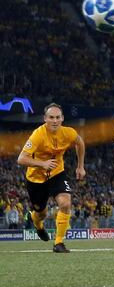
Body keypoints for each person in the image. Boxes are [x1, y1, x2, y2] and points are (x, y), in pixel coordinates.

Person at [17, 103, 86, 253]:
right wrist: (42, 164)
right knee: (42, 213)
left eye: (57, 117)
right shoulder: (38, 135)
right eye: (51, 117)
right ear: (45, 119)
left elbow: (79, 143)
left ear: (62, 118)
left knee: (65, 203)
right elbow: (21, 159)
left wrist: (80, 166)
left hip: (56, 173)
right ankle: (37, 223)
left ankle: (59, 243)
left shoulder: (68, 132)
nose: (54, 121)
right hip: (36, 179)